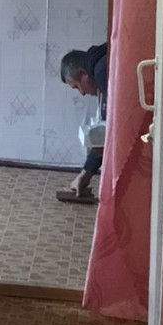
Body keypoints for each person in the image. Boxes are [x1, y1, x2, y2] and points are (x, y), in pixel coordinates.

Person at [57, 43, 108, 204]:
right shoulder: (100, 67)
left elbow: (114, 128)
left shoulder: (102, 72)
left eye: (77, 86)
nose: (82, 93)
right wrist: (85, 174)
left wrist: (86, 174)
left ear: (83, 73)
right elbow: (105, 131)